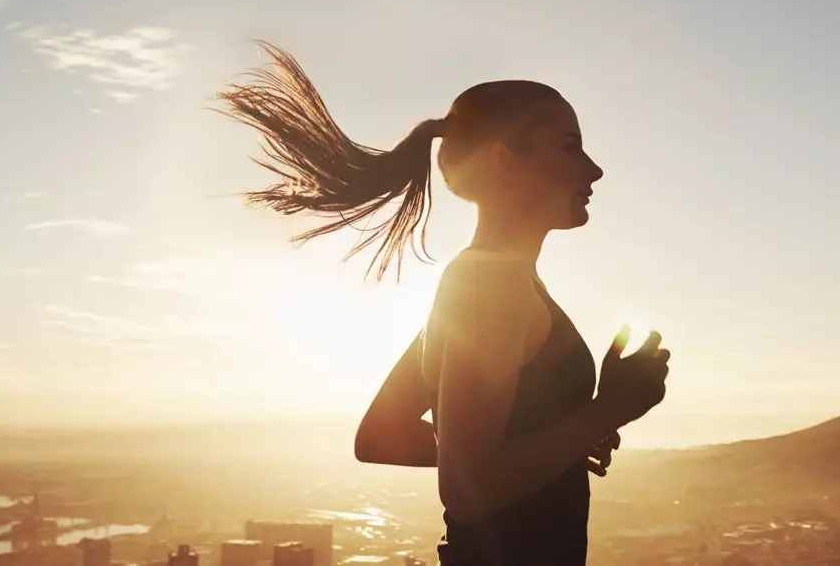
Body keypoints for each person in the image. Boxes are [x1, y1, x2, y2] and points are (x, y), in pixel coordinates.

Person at [220, 43, 671, 566]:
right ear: (505, 160)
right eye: (571, 147)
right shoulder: (491, 287)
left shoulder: (486, 281)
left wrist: (565, 440)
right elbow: (466, 484)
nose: (594, 170)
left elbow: (382, 437)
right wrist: (605, 412)